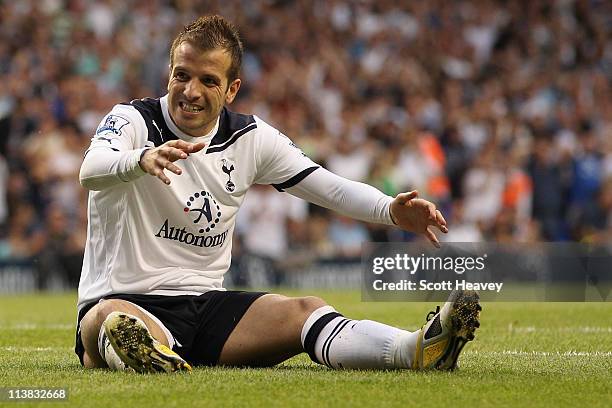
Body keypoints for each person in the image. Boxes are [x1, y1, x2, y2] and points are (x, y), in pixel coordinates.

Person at [76, 15, 480, 373]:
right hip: (126, 298)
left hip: (205, 307)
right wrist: (141, 159)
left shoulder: (250, 137)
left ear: (232, 89)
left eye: (208, 80)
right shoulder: (131, 120)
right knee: (107, 319)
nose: (191, 91)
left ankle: (415, 350)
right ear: (169, 72)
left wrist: (389, 210)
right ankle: (139, 349)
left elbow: (328, 187)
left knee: (306, 310)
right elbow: (90, 171)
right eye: (182, 75)